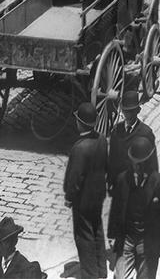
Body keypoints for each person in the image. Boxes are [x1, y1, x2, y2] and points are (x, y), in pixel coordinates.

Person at [107, 134, 160, 279]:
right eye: (135, 163)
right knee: (120, 276)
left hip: (148, 239)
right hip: (127, 237)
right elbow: (116, 208)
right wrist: (112, 234)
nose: (137, 166)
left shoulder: (159, 182)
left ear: (148, 162)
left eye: (141, 163)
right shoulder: (123, 179)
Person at [64, 101, 108, 279]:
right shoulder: (102, 140)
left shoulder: (79, 148)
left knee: (84, 238)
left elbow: (75, 178)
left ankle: (90, 275)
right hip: (98, 196)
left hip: (83, 200)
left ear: (79, 122)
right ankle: (101, 271)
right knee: (97, 232)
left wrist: (69, 197)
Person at [107, 86, 159, 190]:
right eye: (126, 111)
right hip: (120, 185)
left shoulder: (146, 133)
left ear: (138, 111)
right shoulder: (117, 131)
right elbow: (112, 159)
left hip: (138, 186)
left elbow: (152, 164)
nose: (128, 115)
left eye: (131, 111)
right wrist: (110, 182)